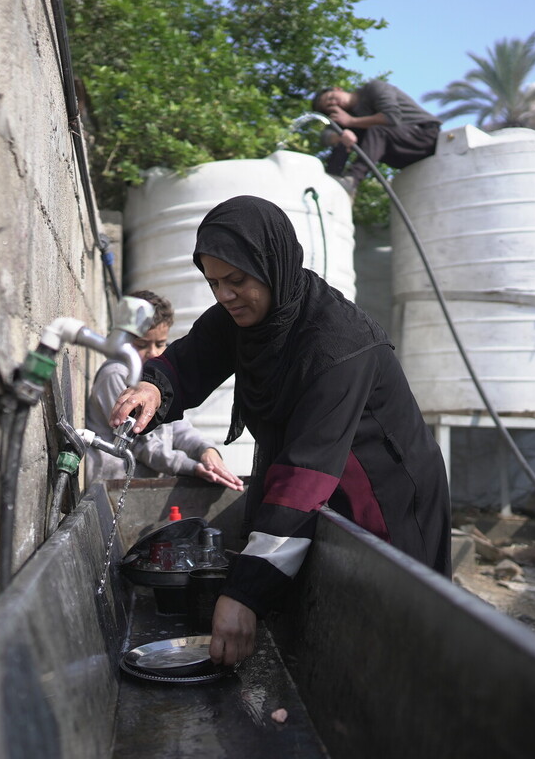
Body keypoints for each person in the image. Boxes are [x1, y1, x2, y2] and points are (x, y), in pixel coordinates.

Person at [108, 196, 451, 667]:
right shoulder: (248, 318)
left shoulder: (338, 347)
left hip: (384, 493)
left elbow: (304, 477)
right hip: (319, 478)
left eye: (236, 280)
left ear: (273, 265)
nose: (224, 295)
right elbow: (192, 356)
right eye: (213, 283)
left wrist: (244, 593)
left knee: (398, 622)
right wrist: (153, 386)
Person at [85, 290, 243, 491]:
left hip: (141, 485)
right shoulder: (116, 375)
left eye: (160, 344)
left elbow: (179, 428)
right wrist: (190, 467)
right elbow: (140, 444)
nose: (153, 353)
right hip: (112, 484)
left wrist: (205, 450)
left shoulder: (161, 378)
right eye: (142, 345)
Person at [312, 79, 441, 197]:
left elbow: (391, 117)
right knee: (344, 137)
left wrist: (351, 121)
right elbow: (325, 137)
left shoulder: (374, 88)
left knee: (378, 130)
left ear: (338, 89)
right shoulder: (345, 117)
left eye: (331, 97)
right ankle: (332, 182)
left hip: (425, 136)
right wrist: (339, 137)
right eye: (329, 106)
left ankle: (352, 179)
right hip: (401, 156)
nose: (334, 102)